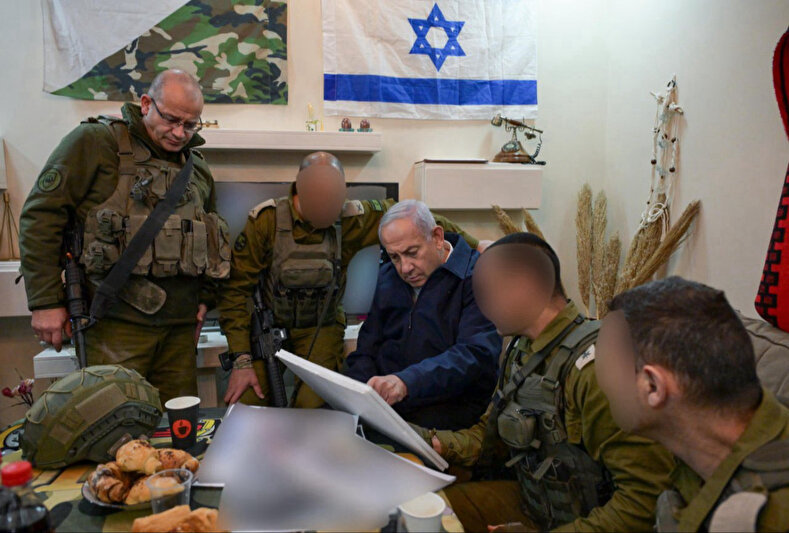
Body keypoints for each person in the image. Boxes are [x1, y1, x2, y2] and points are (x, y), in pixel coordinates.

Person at [415, 232, 674, 532]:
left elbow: (643, 501)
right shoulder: (521, 349)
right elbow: (489, 436)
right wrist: (427, 440)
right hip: (535, 503)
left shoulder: (597, 369)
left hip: (584, 523)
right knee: (424, 511)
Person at [18, 69, 227, 403]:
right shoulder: (96, 142)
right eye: (171, 119)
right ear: (146, 104)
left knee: (177, 427)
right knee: (114, 421)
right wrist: (45, 301)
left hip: (180, 330)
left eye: (190, 125)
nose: (179, 133)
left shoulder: (197, 167)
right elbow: (41, 217)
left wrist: (205, 300)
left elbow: (212, 240)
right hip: (113, 325)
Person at [217, 152, 486, 408]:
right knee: (247, 403)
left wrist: (477, 244)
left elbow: (415, 219)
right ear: (299, 192)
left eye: (335, 201)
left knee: (316, 406)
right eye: (320, 202)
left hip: (320, 327)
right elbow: (235, 291)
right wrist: (241, 359)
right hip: (269, 326)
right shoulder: (267, 222)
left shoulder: (350, 218)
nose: (329, 210)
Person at [596, 277, 789, 532]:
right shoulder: (704, 459)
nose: (602, 383)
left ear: (653, 386)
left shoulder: (765, 516)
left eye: (606, 365)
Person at [344, 200, 501, 430]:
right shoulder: (388, 276)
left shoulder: (478, 277)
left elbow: (475, 355)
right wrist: (360, 390)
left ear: (437, 237)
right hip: (388, 407)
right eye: (395, 257)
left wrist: (406, 383)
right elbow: (367, 348)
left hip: (447, 411)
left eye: (412, 253)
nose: (405, 268)